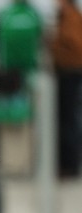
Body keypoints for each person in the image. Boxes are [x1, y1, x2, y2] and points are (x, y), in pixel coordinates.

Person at [49, 0, 82, 178]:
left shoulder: (71, 18)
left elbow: (76, 47)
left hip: (70, 75)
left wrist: (55, 49)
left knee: (69, 122)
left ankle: (70, 167)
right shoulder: (67, 16)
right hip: (68, 75)